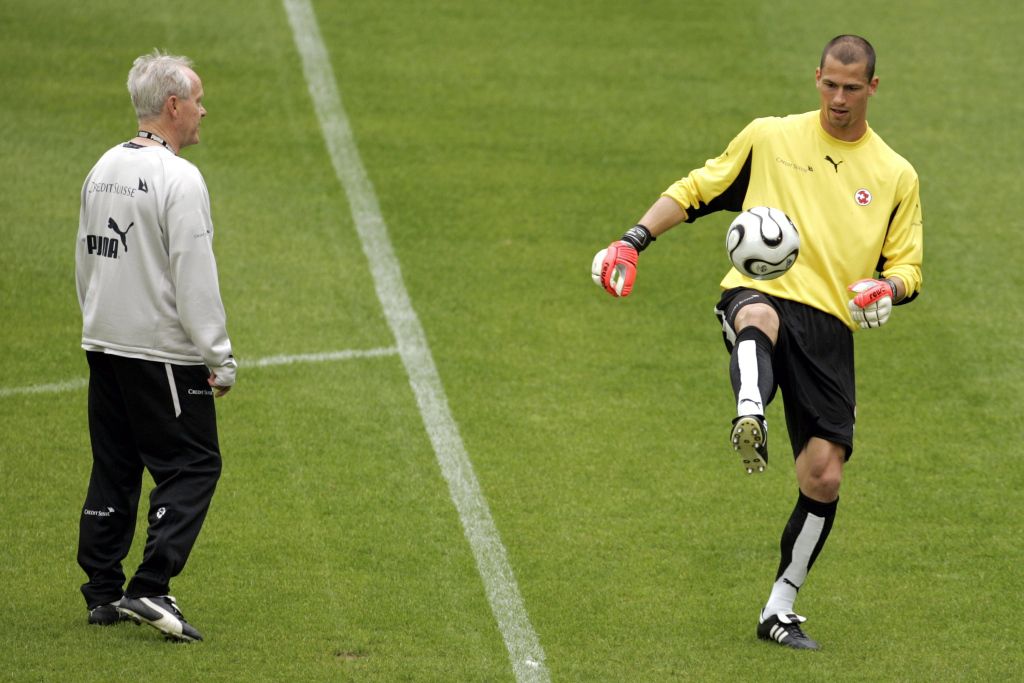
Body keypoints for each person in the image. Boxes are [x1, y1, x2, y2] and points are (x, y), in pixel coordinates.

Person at [592, 35, 923, 650]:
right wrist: (632, 240)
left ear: (873, 88)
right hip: (759, 292)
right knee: (757, 318)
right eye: (829, 84)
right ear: (815, 77)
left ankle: (779, 609)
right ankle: (751, 409)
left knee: (822, 477)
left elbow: (908, 267)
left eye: (852, 88)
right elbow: (696, 189)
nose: (839, 99)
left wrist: (887, 290)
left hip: (829, 328)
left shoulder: (895, 174)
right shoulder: (771, 137)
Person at [75, 50, 236, 643]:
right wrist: (218, 359)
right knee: (193, 464)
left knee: (115, 463)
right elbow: (195, 277)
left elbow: (86, 258)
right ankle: (150, 586)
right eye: (196, 99)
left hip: (104, 341)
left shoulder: (103, 166)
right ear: (173, 105)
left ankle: (102, 591)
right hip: (161, 353)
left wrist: (95, 324)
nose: (202, 110)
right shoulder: (180, 178)